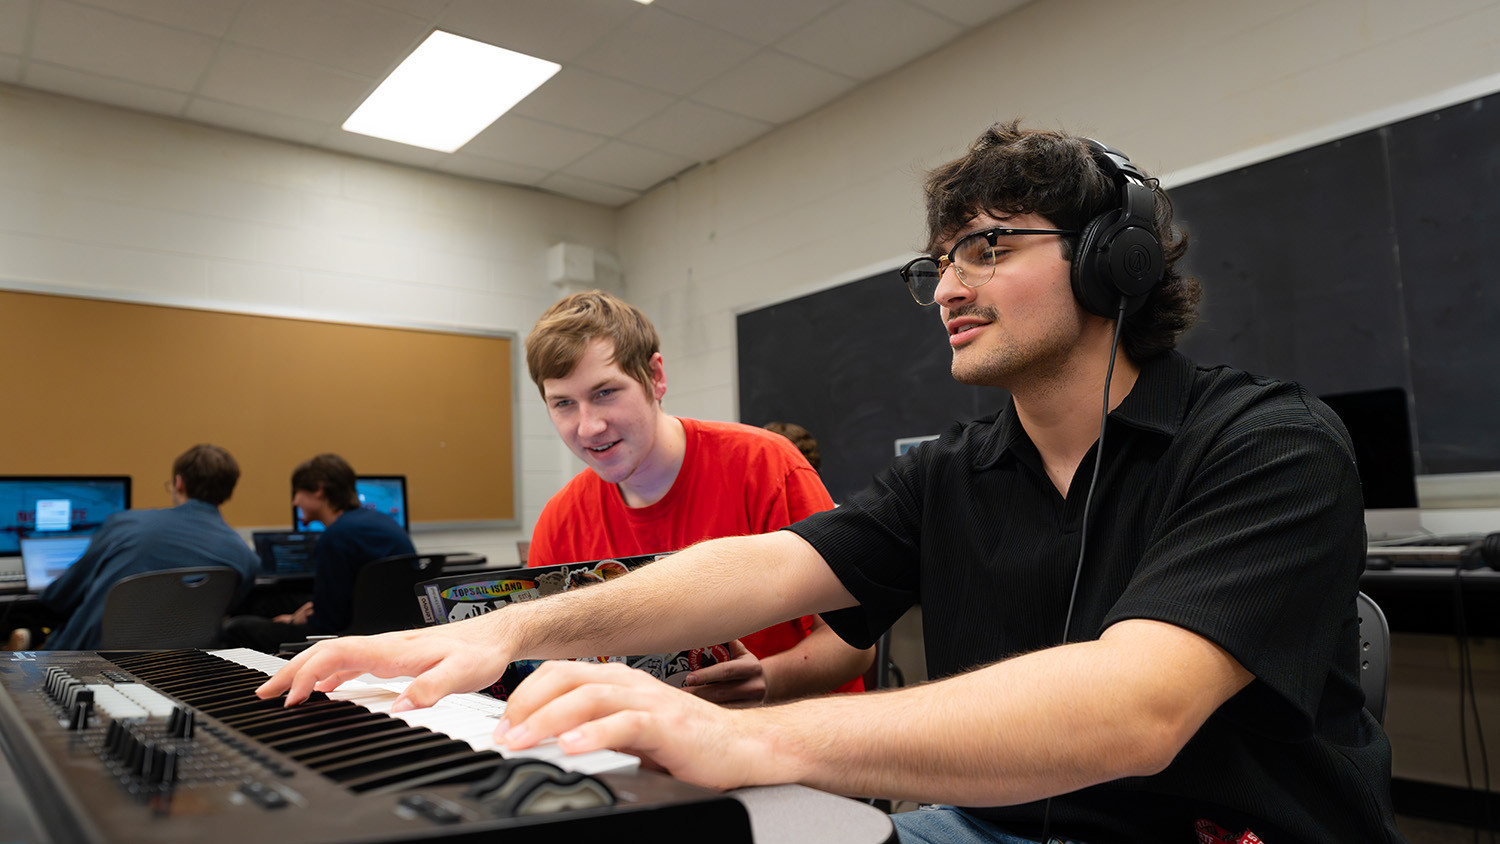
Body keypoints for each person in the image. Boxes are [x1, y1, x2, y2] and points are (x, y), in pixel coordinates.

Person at [260, 122, 1404, 843]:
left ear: (1117, 260)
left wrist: (760, 740)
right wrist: (495, 637)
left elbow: (1136, 709)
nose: (950, 284)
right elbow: (759, 566)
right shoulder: (957, 469)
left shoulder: (1268, 443)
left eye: (990, 246)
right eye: (941, 259)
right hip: (996, 826)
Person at [523, 291, 871, 702]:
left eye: (605, 393)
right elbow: (546, 661)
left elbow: (854, 644)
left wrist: (766, 679)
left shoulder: (767, 468)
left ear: (655, 377)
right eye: (563, 403)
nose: (589, 427)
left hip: (789, 739)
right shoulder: (560, 519)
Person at [37, 444, 259, 650]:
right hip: (175, 670)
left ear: (179, 482)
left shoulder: (125, 524)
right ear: (229, 491)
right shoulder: (245, 557)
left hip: (86, 663)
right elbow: (217, 612)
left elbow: (59, 597)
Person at [223, 453, 414, 652]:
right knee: (269, 602)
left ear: (318, 491)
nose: (294, 502)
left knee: (237, 627)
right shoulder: (383, 522)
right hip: (385, 625)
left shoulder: (335, 537)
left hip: (347, 637)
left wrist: (290, 622)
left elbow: (327, 623)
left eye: (297, 493)